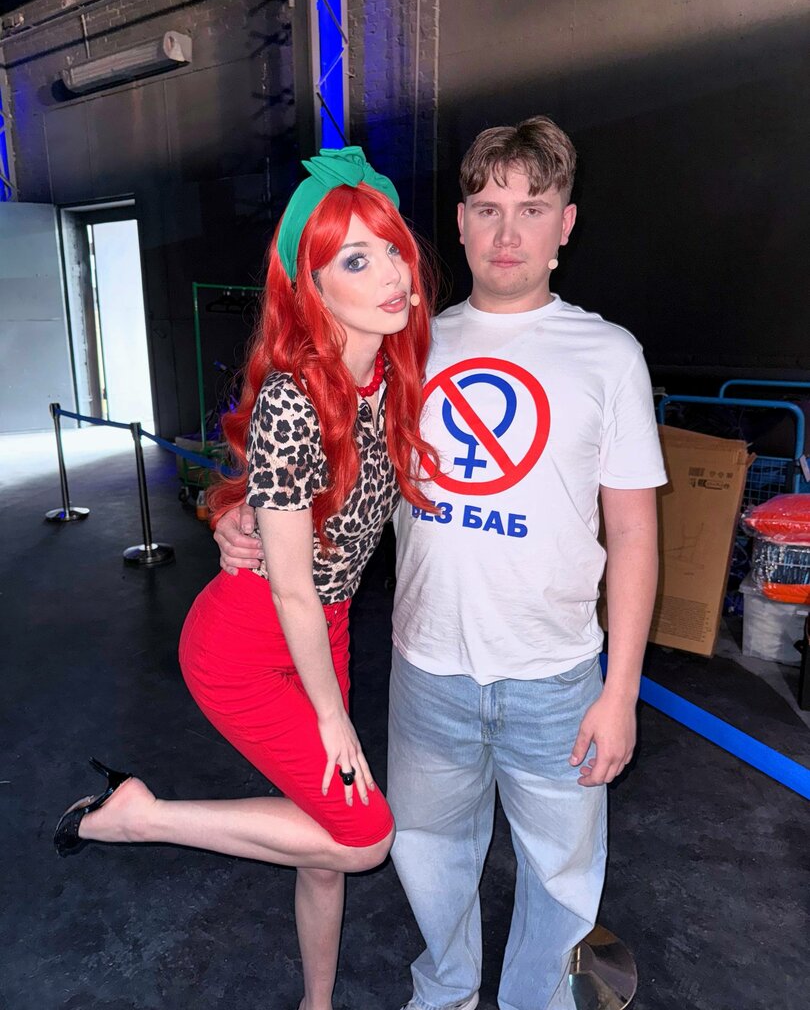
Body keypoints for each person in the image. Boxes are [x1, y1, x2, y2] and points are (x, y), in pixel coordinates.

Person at [215, 117, 667, 1010]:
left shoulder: (609, 356)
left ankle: (536, 999)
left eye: (532, 208)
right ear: (458, 224)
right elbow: (315, 451)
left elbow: (636, 537)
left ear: (566, 225)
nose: (508, 232)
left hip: (555, 674)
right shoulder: (405, 344)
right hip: (428, 667)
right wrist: (239, 517)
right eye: (488, 208)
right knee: (428, 856)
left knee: (562, 870)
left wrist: (620, 692)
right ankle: (448, 989)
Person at [53, 146, 439, 1010]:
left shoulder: (394, 372)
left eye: (393, 249)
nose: (391, 274)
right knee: (363, 837)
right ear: (311, 287)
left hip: (322, 631)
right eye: (356, 260)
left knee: (322, 848)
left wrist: (232, 513)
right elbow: (292, 586)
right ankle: (141, 817)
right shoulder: (293, 397)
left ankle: (316, 1003)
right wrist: (333, 716)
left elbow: (280, 511)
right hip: (249, 640)